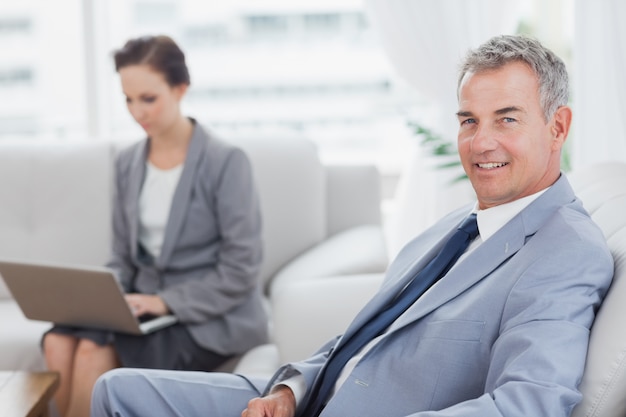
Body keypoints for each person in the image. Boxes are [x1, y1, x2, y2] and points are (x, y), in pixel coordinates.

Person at [91, 34, 614, 417]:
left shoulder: (565, 250)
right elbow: (359, 340)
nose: (480, 143)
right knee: (116, 390)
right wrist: (289, 392)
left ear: (558, 126)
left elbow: (529, 404)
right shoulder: (457, 225)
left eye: (507, 118)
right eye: (468, 121)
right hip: (310, 400)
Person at [42, 35, 268, 417]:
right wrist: (100, 296)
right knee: (60, 341)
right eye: (128, 100)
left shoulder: (226, 161)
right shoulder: (128, 162)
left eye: (148, 99)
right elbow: (123, 257)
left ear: (181, 89)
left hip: (205, 316)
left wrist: (165, 302)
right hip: (142, 309)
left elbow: (240, 270)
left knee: (94, 353)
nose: (137, 112)